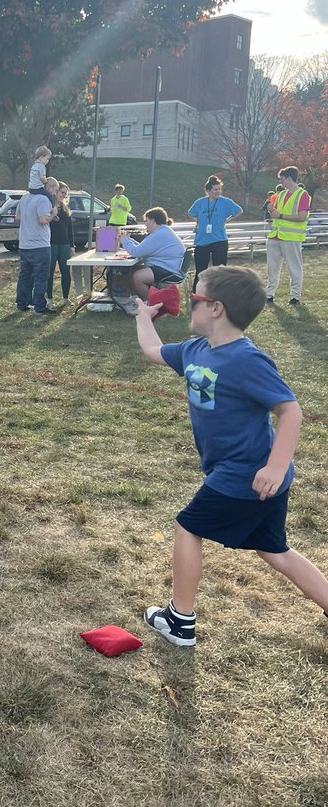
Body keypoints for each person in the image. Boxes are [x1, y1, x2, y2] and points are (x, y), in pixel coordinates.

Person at [132, 265, 328, 647]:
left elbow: (290, 411)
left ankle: (179, 621)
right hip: (244, 474)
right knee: (274, 549)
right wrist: (143, 317)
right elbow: (152, 350)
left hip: (247, 474)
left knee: (188, 528)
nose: (189, 305)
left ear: (216, 308)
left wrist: (276, 465)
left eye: (195, 299)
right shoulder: (194, 350)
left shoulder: (246, 359)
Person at [187, 175, 243, 291]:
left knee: (220, 270)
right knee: (201, 270)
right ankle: (198, 292)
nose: (218, 192)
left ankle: (220, 292)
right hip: (202, 241)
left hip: (219, 240)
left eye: (219, 189)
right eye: (215, 189)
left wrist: (228, 220)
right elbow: (190, 213)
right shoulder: (200, 202)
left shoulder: (225, 202)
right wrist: (198, 221)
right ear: (208, 191)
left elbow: (239, 211)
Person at [117, 207, 185, 302]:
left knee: (137, 276)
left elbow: (136, 252)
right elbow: (142, 248)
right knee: (132, 270)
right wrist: (128, 240)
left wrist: (125, 241)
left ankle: (149, 304)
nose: (145, 224)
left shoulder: (159, 235)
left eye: (146, 221)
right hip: (168, 266)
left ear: (153, 221)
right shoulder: (162, 231)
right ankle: (135, 300)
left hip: (168, 270)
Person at [266, 166, 310, 307]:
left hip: (291, 238)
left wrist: (281, 215)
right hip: (275, 236)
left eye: (282, 179)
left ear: (289, 178)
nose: (280, 182)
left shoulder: (303, 195)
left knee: (294, 268)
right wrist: (271, 209)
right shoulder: (281, 194)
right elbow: (277, 212)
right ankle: (269, 295)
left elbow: (302, 217)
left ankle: (295, 298)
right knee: (272, 269)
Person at [14, 184, 55, 315]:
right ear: (50, 188)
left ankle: (21, 303)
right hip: (40, 244)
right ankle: (39, 306)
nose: (54, 193)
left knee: (24, 276)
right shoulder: (43, 199)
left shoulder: (24, 198)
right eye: (55, 189)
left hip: (24, 244)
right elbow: (43, 219)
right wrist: (53, 215)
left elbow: (18, 217)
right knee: (41, 277)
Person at [46, 179, 75, 306]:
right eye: (62, 192)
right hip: (51, 243)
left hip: (64, 244)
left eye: (65, 194)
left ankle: (65, 298)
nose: (63, 195)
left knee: (66, 271)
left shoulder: (65, 209)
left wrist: (72, 245)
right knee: (49, 271)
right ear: (56, 191)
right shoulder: (49, 205)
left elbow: (70, 228)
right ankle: (49, 299)